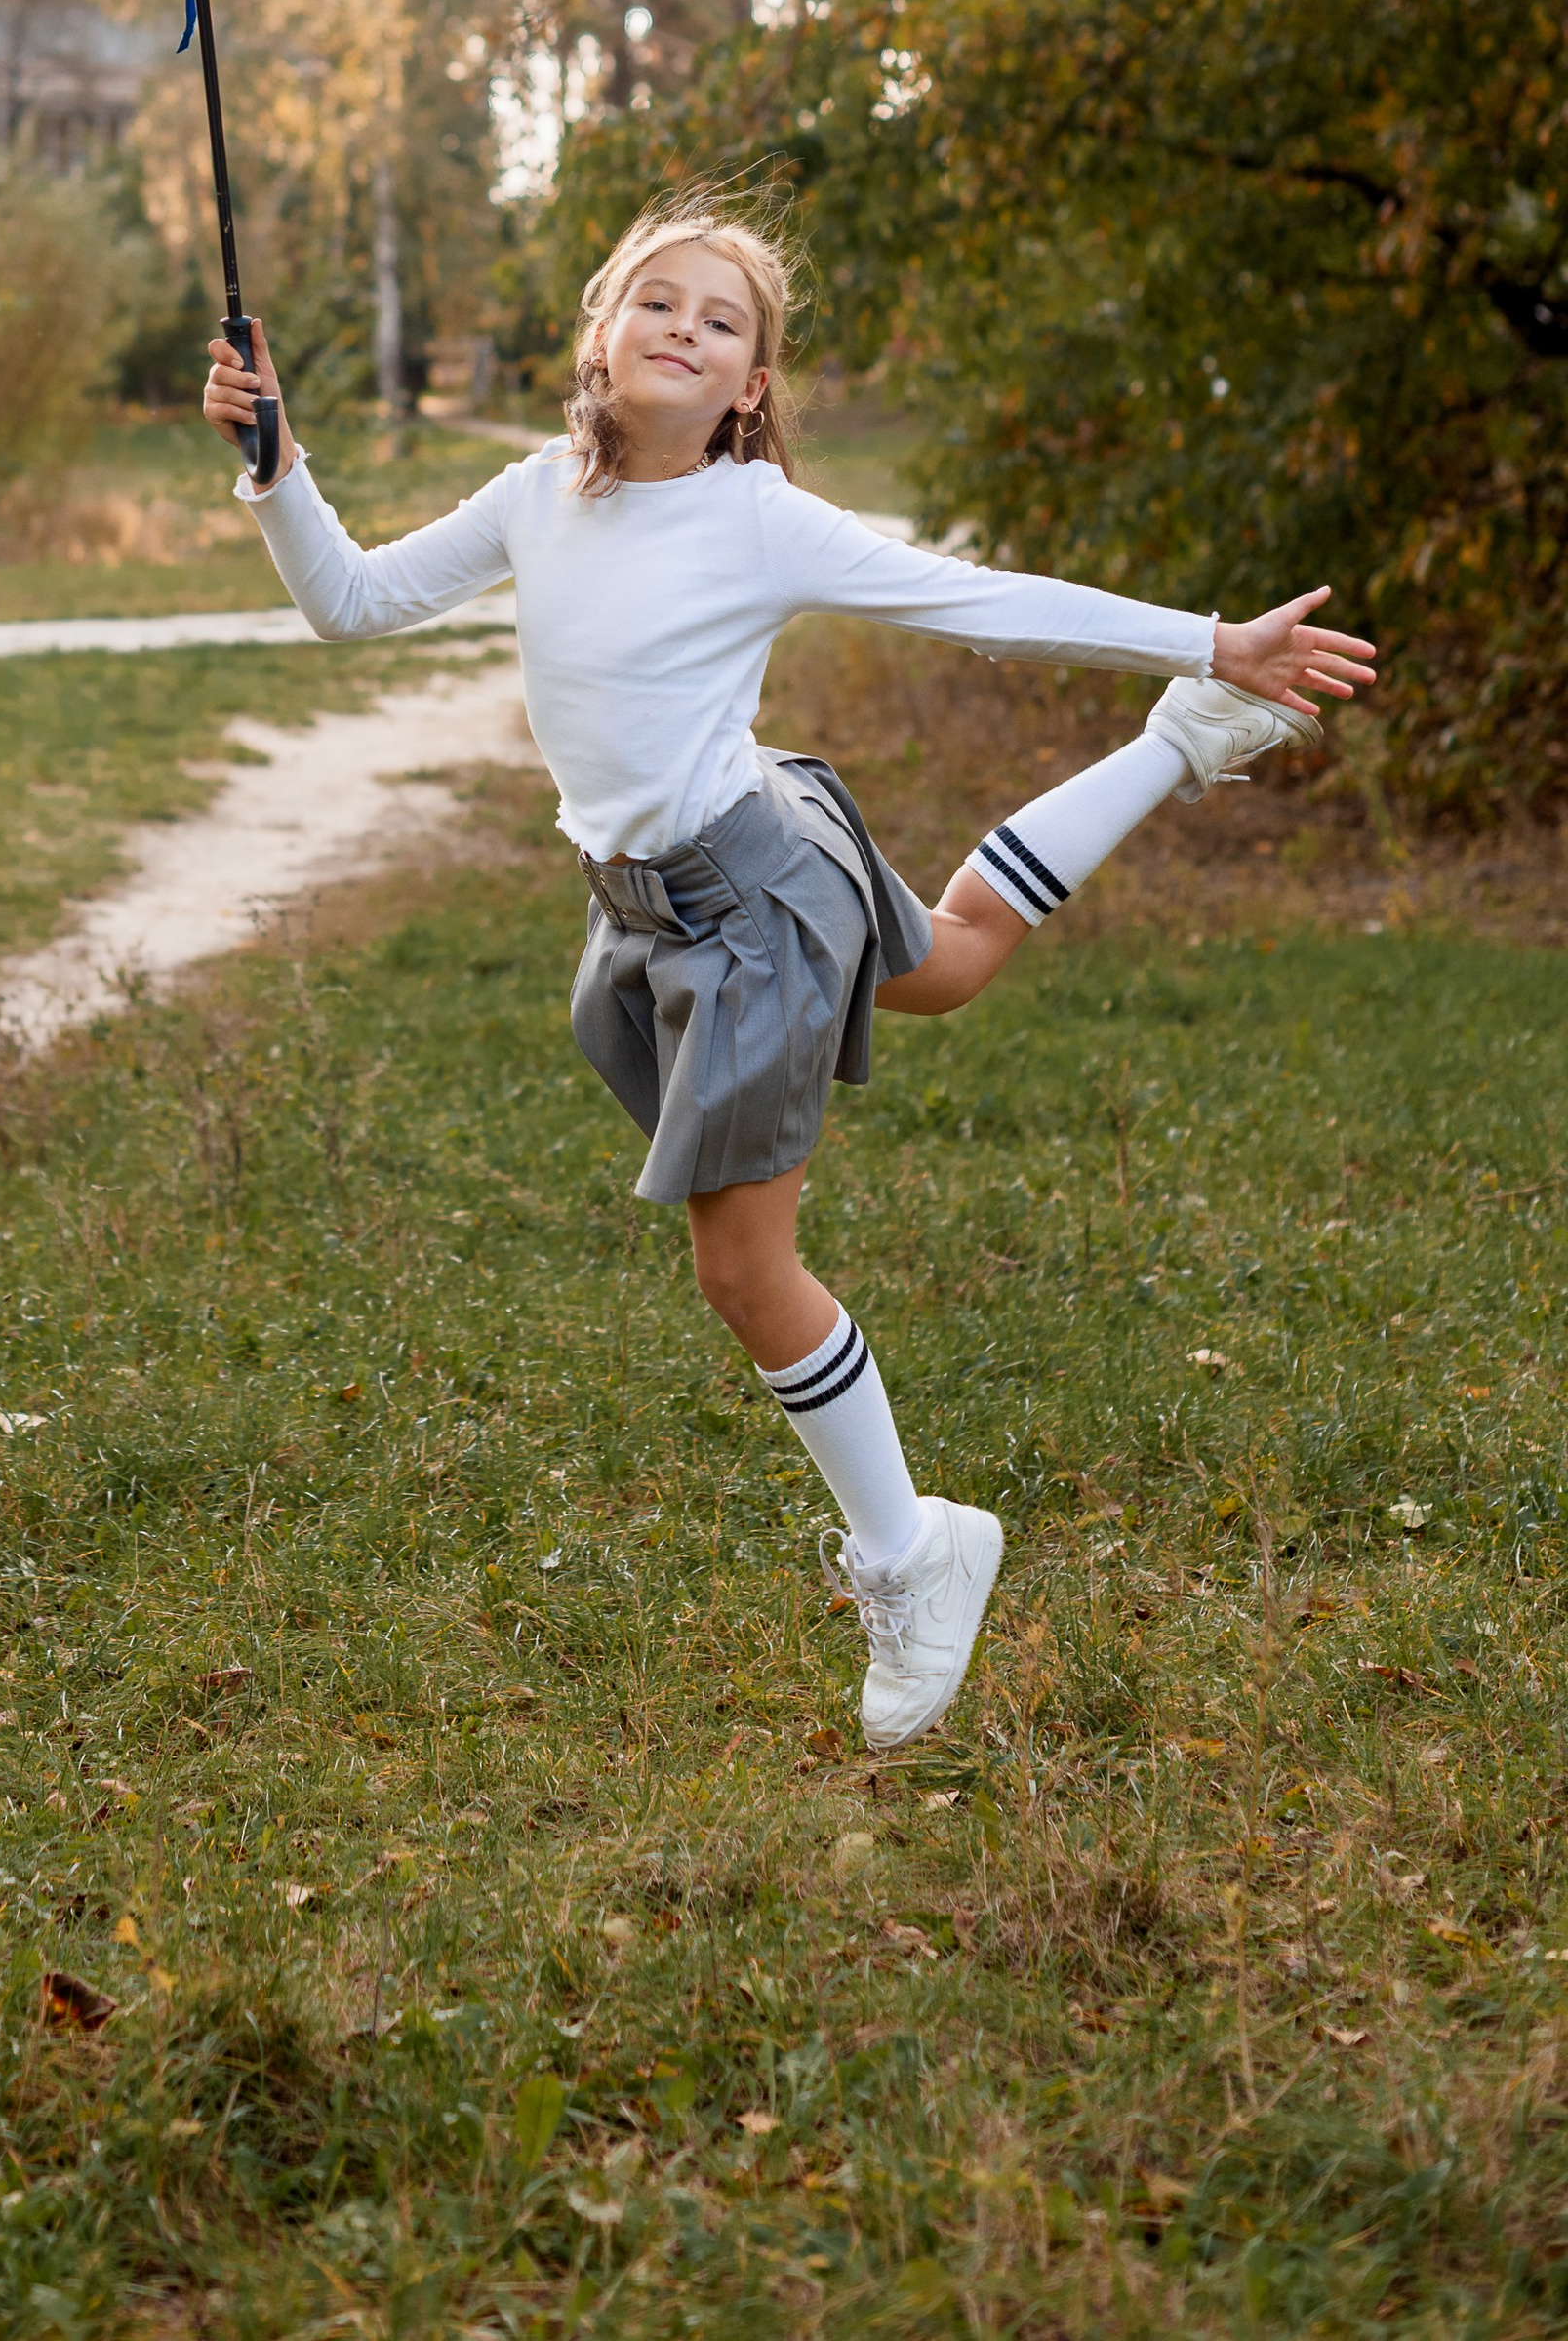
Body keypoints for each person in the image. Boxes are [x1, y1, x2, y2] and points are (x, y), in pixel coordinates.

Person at [203, 185, 1374, 1750]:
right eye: (658, 302)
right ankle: (1177, 754)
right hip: (659, 898)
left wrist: (1204, 636)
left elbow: (985, 608)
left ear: (751, 386)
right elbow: (351, 605)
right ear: (600, 333)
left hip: (747, 895)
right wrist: (276, 467)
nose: (685, 328)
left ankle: (913, 1551)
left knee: (742, 1270)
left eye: (723, 320)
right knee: (949, 969)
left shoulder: (756, 516)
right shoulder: (533, 495)